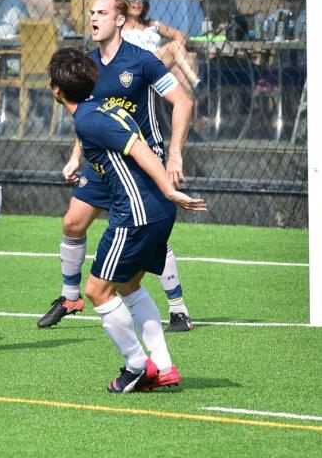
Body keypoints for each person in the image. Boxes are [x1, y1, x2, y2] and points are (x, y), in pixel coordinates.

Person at [47, 47, 206, 392]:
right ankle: (164, 366)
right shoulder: (103, 108)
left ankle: (136, 366)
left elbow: (140, 150)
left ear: (56, 90)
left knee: (97, 291)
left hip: (137, 213)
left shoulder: (88, 119)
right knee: (129, 286)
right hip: (155, 211)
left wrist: (169, 189)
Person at [38, 0, 196, 333]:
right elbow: (89, 118)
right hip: (104, 164)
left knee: (148, 234)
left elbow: (183, 102)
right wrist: (76, 156)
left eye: (102, 13)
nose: (94, 18)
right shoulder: (87, 67)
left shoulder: (143, 61)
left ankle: (178, 308)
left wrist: (174, 154)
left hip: (142, 158)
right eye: (91, 13)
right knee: (72, 224)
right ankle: (69, 298)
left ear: (120, 20)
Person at [123, 0, 201, 95]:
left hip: (157, 62)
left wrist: (180, 48)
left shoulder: (151, 24)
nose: (137, 2)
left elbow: (180, 34)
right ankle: (196, 81)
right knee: (174, 47)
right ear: (125, 2)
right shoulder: (119, 26)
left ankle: (191, 100)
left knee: (179, 71)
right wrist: (177, 48)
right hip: (136, 65)